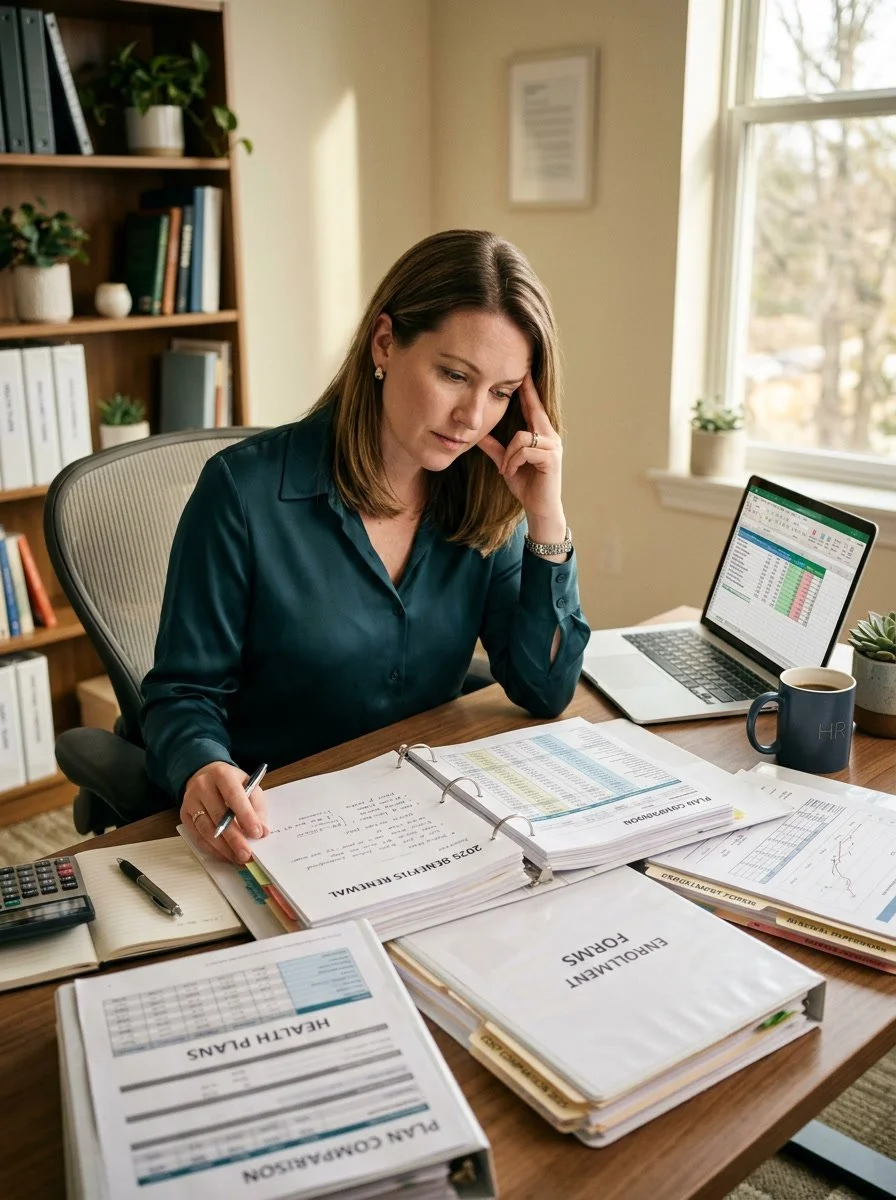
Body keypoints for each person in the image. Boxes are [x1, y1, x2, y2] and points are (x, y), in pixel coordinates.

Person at [141, 229, 590, 863]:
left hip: (423, 829)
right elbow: (182, 693)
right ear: (385, 342)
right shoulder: (242, 493)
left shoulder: (488, 500)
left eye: (501, 392)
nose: (472, 417)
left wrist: (545, 517)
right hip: (277, 833)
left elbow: (544, 689)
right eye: (454, 375)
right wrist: (201, 763)